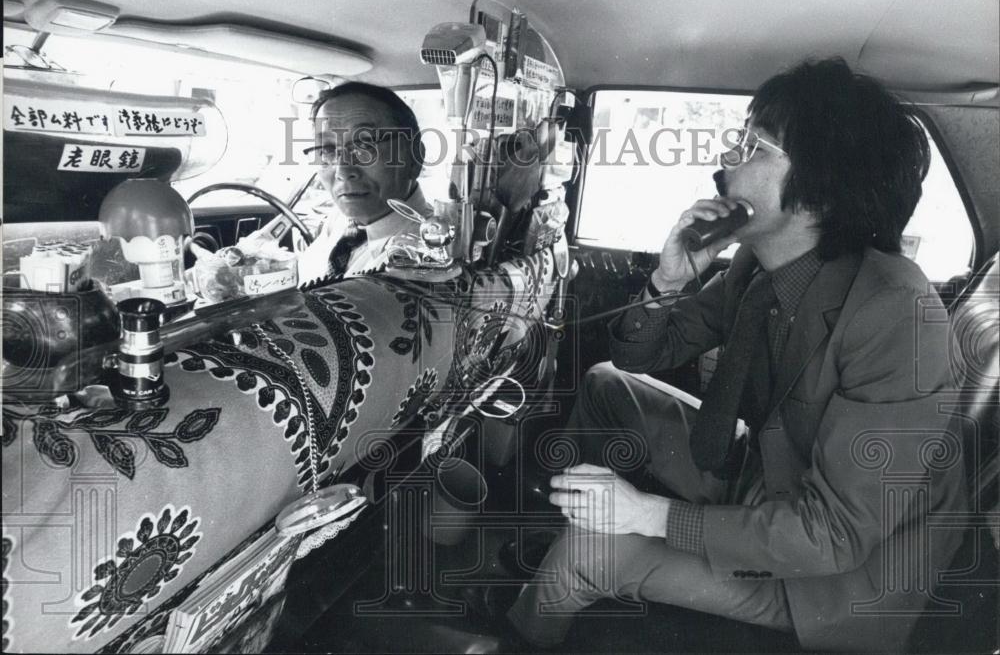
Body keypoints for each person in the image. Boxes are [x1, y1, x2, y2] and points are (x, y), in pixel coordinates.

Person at [503, 58, 967, 651]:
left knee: (587, 554)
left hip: (830, 579)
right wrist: (668, 282)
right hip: (761, 478)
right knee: (605, 384)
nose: (725, 159)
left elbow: (834, 536)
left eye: (753, 146)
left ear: (820, 190)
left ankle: (526, 624)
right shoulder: (759, 264)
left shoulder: (894, 312)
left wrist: (647, 515)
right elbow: (643, 352)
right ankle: (561, 528)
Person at [296, 82, 432, 285]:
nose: (343, 171)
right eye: (326, 149)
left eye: (365, 145)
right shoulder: (340, 220)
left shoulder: (428, 259)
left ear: (414, 157)